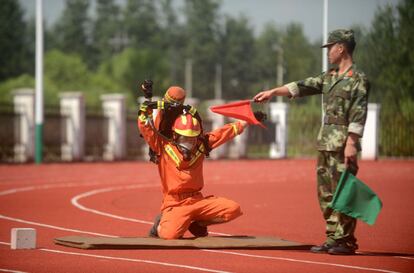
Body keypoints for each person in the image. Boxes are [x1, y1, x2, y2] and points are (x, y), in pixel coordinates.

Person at [253, 29, 369, 255]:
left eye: (330, 48)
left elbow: (359, 112)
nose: (327, 53)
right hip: (325, 141)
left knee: (343, 191)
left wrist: (352, 142)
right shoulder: (330, 77)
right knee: (324, 192)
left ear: (341, 47)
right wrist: (273, 92)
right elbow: (301, 86)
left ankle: (345, 240)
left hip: (343, 142)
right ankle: (332, 236)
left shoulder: (358, 79)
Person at [138, 88, 248, 239]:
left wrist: (246, 121)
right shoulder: (162, 147)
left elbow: (221, 134)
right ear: (175, 135)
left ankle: (198, 224)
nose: (189, 141)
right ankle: (159, 224)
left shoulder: (201, 145)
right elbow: (147, 128)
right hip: (175, 203)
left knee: (233, 209)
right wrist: (145, 111)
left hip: (197, 200)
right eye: (184, 137)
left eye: (192, 137)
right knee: (170, 235)